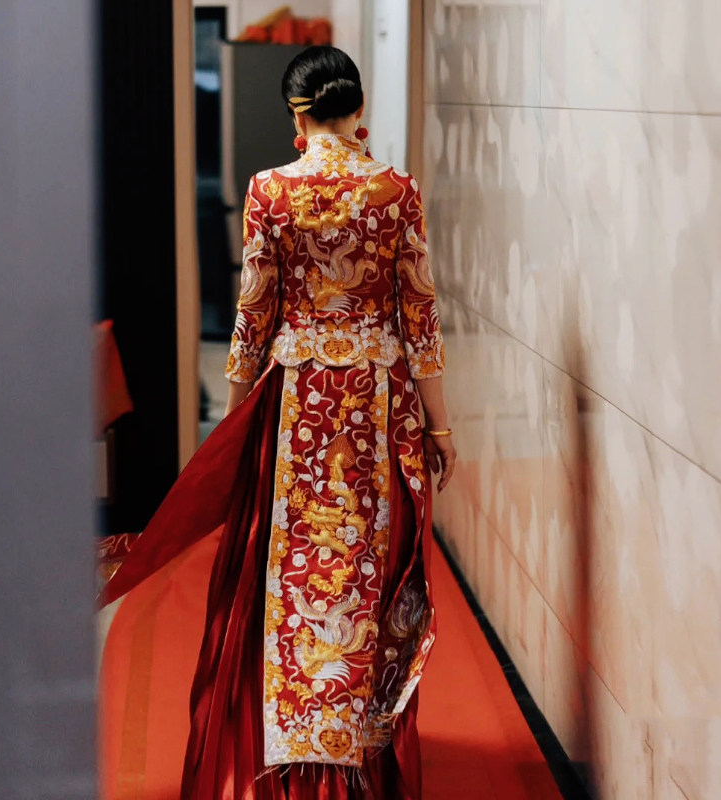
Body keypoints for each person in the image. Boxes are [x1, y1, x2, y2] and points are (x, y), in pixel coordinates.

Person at [100, 45, 456, 800]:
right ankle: (362, 758)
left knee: (291, 573)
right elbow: (420, 318)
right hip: (378, 406)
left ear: (297, 115)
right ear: (359, 110)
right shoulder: (396, 192)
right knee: (369, 573)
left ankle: (290, 753)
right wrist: (440, 427)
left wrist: (235, 424)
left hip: (296, 407)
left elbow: (253, 316)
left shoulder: (270, 190)